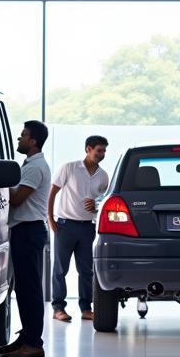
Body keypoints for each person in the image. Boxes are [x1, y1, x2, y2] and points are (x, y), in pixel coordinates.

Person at [1, 120, 52, 357]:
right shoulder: (30, 164)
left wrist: (2, 181)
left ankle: (33, 343)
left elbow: (18, 199)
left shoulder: (33, 167)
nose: (19, 139)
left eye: (23, 135)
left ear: (33, 141)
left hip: (29, 231)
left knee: (30, 288)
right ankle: (27, 337)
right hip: (25, 230)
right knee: (23, 287)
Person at [49, 135, 109, 322]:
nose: (103, 154)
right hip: (65, 226)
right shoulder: (69, 168)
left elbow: (102, 200)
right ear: (88, 149)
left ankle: (86, 308)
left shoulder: (103, 176)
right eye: (99, 150)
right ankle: (58, 308)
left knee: (86, 270)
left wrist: (97, 206)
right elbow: (52, 193)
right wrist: (50, 219)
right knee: (60, 269)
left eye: (104, 151)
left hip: (87, 228)